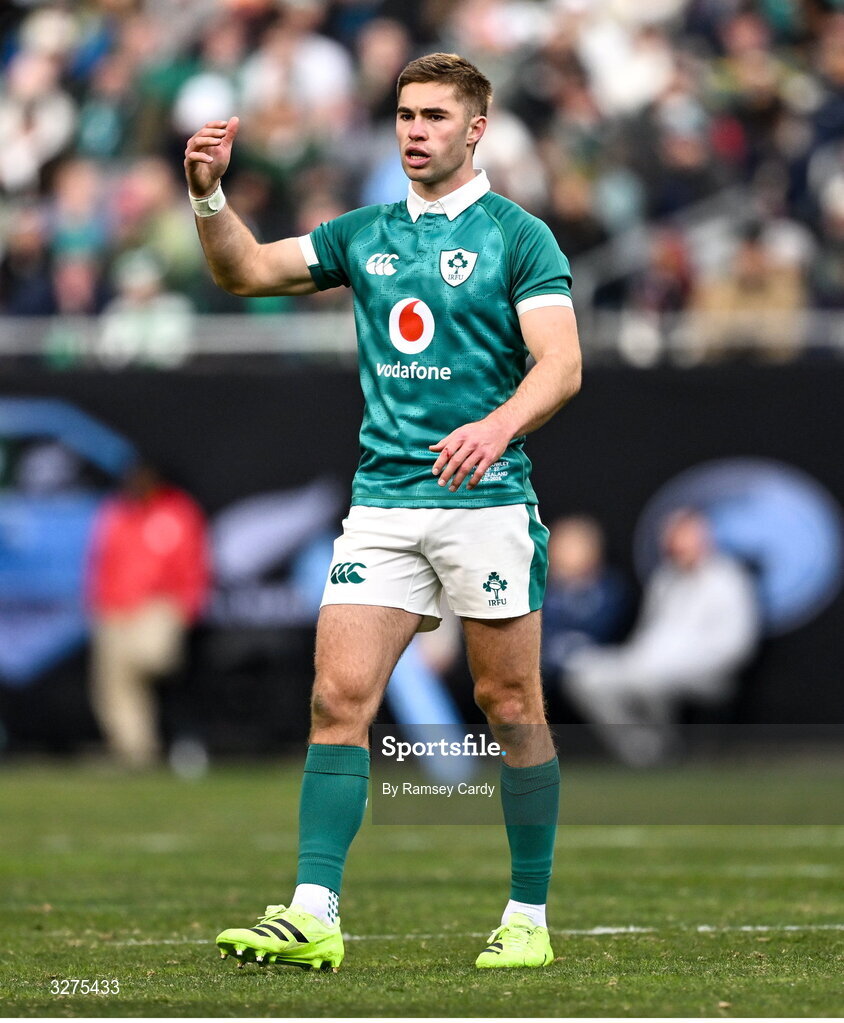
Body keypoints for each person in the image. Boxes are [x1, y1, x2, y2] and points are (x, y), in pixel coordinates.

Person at [185, 52, 581, 971]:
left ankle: (527, 913)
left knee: (511, 704)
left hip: (484, 499)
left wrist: (498, 424)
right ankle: (313, 908)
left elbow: (560, 365)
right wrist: (208, 196)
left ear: (475, 130)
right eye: (405, 114)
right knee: (337, 697)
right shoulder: (365, 232)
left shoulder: (521, 237)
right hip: (384, 501)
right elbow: (243, 270)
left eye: (435, 117)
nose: (415, 130)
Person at [564, 508, 760, 767]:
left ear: (704, 536)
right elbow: (648, 635)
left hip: (706, 674)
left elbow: (737, 645)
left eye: (686, 534)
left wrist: (678, 663)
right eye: (673, 535)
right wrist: (641, 659)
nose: (679, 542)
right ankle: (642, 748)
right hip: (649, 664)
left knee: (651, 679)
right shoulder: (664, 580)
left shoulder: (729, 579)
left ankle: (666, 748)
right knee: (585, 676)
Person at [86, 461, 210, 768]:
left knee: (150, 657)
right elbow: (101, 561)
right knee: (112, 683)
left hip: (160, 606)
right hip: (115, 609)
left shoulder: (177, 511)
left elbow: (193, 563)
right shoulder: (116, 513)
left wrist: (190, 607)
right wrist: (99, 602)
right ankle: (134, 751)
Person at [541, 515, 631, 684]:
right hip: (549, 670)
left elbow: (607, 627)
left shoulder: (610, 589)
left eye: (572, 546)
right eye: (560, 546)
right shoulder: (544, 592)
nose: (563, 553)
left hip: (598, 667)